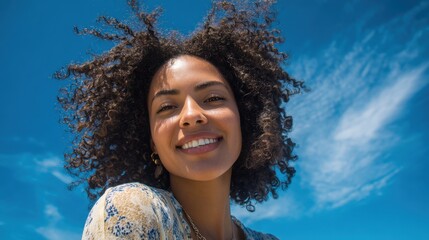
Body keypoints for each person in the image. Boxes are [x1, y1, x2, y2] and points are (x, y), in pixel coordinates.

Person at [56, 0, 303, 239]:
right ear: (152, 141)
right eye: (167, 107)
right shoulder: (132, 210)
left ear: (245, 118)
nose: (192, 115)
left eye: (213, 98)